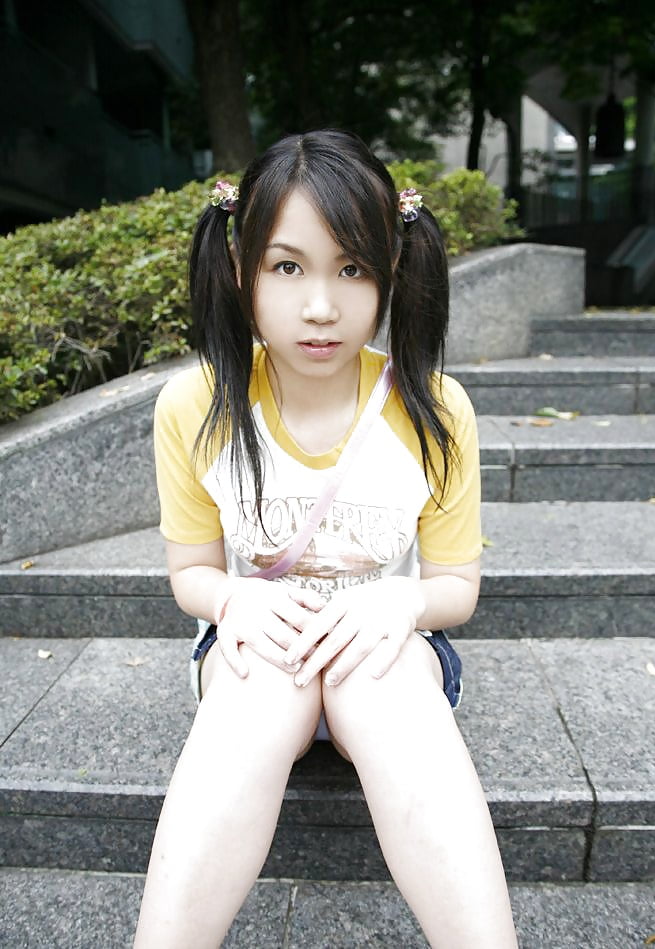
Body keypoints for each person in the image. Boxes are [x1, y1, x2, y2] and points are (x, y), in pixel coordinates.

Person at [134, 129, 518, 948]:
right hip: (254, 648)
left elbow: (455, 588)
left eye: (351, 269)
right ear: (240, 270)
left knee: (379, 683)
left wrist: (399, 602)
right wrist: (233, 599)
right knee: (262, 684)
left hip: (388, 652)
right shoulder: (195, 405)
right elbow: (191, 573)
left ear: (392, 272)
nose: (319, 306)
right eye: (286, 267)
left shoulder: (433, 406)